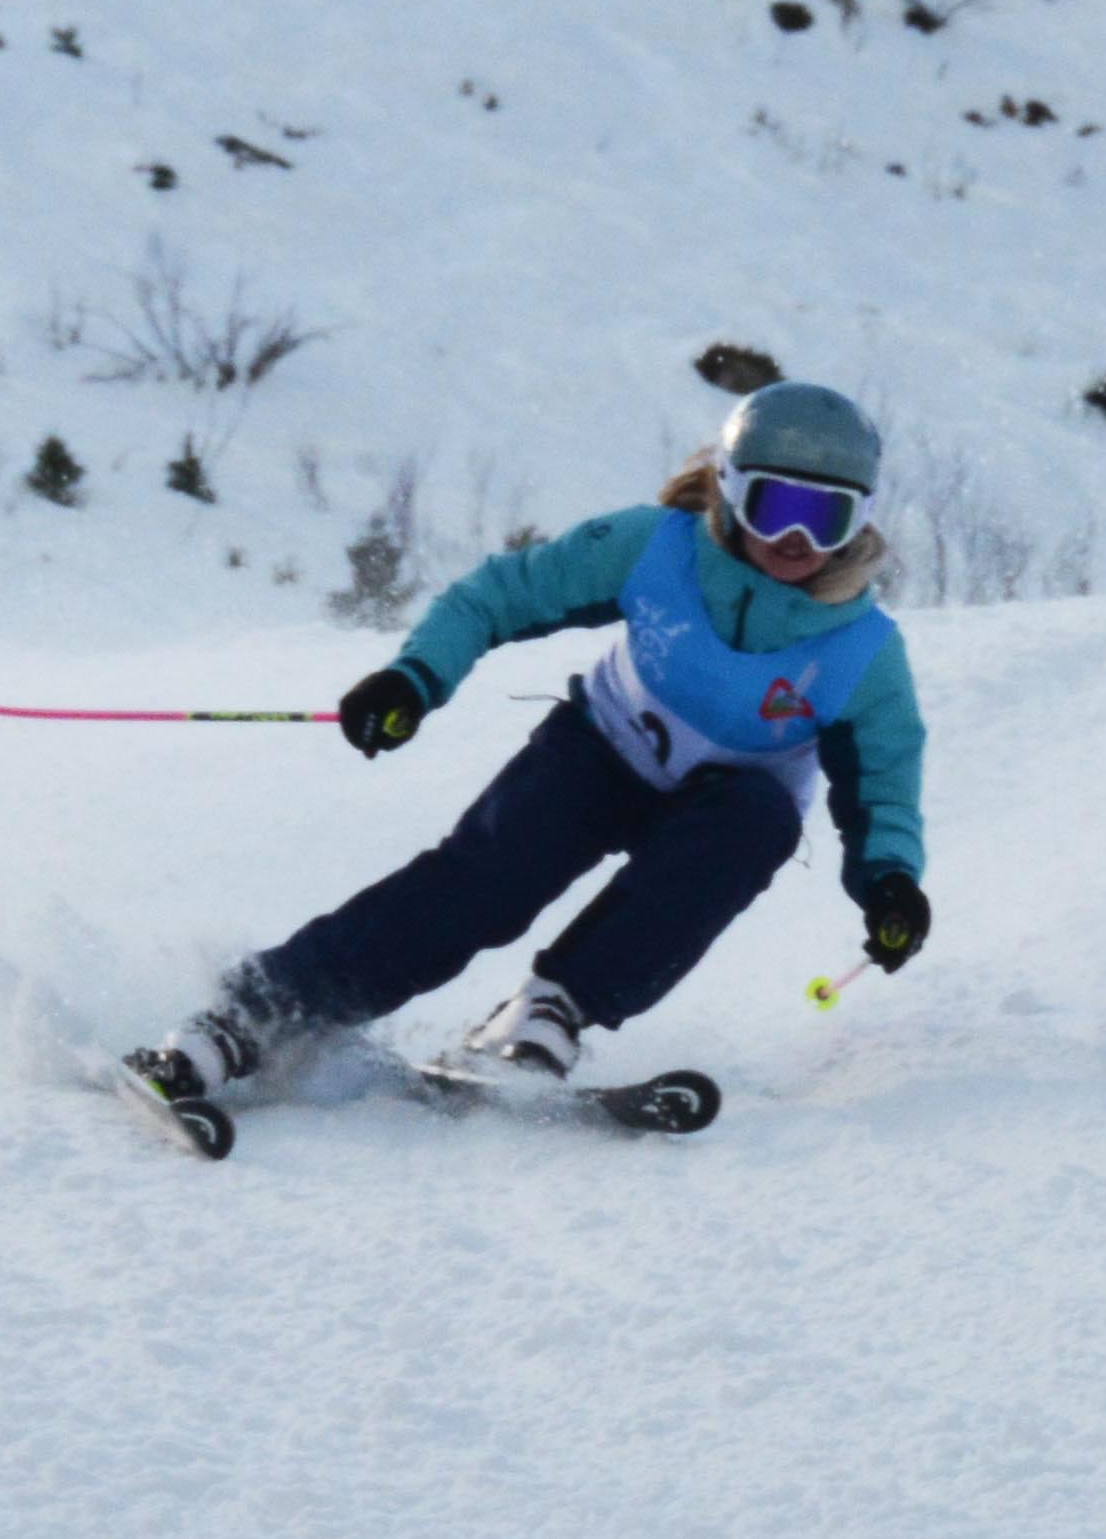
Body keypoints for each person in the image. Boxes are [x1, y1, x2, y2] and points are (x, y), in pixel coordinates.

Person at [129, 380, 929, 1111]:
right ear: (729, 487)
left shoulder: (862, 652)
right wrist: (414, 678)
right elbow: (496, 596)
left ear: (860, 519)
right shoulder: (656, 549)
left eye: (826, 516)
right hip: (601, 753)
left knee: (757, 822)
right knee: (483, 884)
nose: (795, 536)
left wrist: (890, 883)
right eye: (774, 504)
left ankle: (549, 1013)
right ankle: (253, 1017)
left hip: (724, 810)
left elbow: (886, 780)